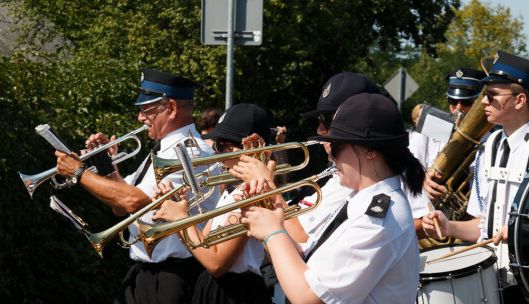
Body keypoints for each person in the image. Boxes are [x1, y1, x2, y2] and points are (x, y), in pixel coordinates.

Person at [239, 93, 425, 303]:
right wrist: (267, 205)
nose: (330, 156)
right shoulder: (360, 201)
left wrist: (272, 233)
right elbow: (305, 254)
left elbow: (307, 297)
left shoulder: (378, 220)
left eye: (336, 147)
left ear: (370, 150)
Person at [55, 68, 221, 303]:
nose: (140, 118)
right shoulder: (163, 149)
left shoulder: (188, 152)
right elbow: (120, 207)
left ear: (171, 108)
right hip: (145, 272)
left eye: (146, 110)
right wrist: (106, 165)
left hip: (174, 276)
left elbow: (132, 201)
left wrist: (78, 172)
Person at [423, 50, 529, 301]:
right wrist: (448, 226)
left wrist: (519, 232)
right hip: (494, 280)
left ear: (520, 100)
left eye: (491, 96)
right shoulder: (489, 147)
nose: (483, 102)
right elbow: (483, 226)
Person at [151, 103, 272, 304]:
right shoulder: (233, 190)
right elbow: (204, 246)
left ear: (252, 148)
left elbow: (216, 263)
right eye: (216, 145)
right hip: (215, 288)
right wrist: (177, 210)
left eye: (224, 145)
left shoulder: (251, 192)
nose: (217, 152)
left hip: (236, 292)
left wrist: (180, 219)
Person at [409, 67, 486, 201]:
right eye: (453, 101)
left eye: (466, 102)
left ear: (478, 101)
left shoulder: (488, 135)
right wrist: (421, 179)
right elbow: (407, 167)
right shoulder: (432, 124)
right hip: (429, 211)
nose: (459, 108)